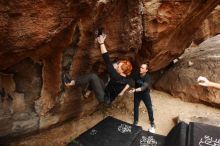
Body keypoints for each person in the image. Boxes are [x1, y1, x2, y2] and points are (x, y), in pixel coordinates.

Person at [65, 34, 133, 105]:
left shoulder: (115, 76)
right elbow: (131, 81)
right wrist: (122, 91)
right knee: (98, 79)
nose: (116, 66)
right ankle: (86, 94)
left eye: (118, 67)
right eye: (118, 65)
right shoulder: (127, 78)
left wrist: (102, 43)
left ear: (122, 71)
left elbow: (107, 60)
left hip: (105, 99)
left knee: (93, 77)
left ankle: (70, 83)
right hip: (106, 90)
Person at [122, 63, 155, 133]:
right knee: (136, 107)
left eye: (143, 68)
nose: (141, 69)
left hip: (145, 94)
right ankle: (135, 121)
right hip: (137, 94)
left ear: (146, 70)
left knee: (149, 107)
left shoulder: (147, 77)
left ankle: (152, 121)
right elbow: (130, 83)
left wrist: (135, 90)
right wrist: (123, 91)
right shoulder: (136, 74)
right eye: (141, 67)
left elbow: (144, 87)